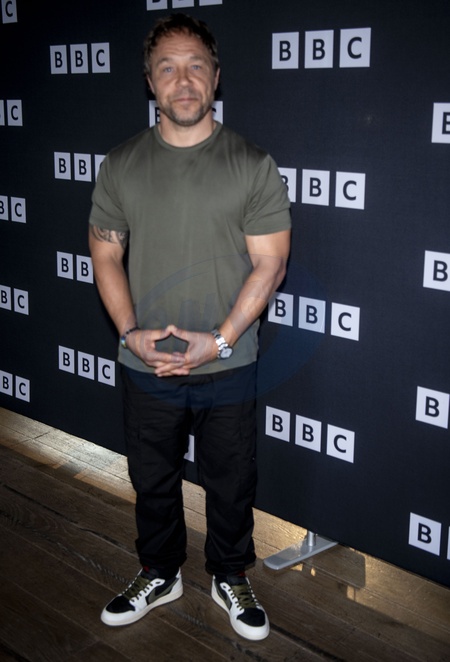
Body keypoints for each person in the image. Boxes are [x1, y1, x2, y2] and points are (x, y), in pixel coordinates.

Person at [88, 13, 291, 642]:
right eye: (168, 68)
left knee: (231, 481)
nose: (183, 81)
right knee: (151, 478)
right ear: (149, 81)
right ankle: (160, 571)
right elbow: (105, 253)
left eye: (195, 66)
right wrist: (129, 332)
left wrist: (221, 339)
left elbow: (271, 263)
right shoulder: (121, 165)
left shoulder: (252, 164)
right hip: (147, 363)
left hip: (228, 361)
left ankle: (230, 574)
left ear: (216, 76)